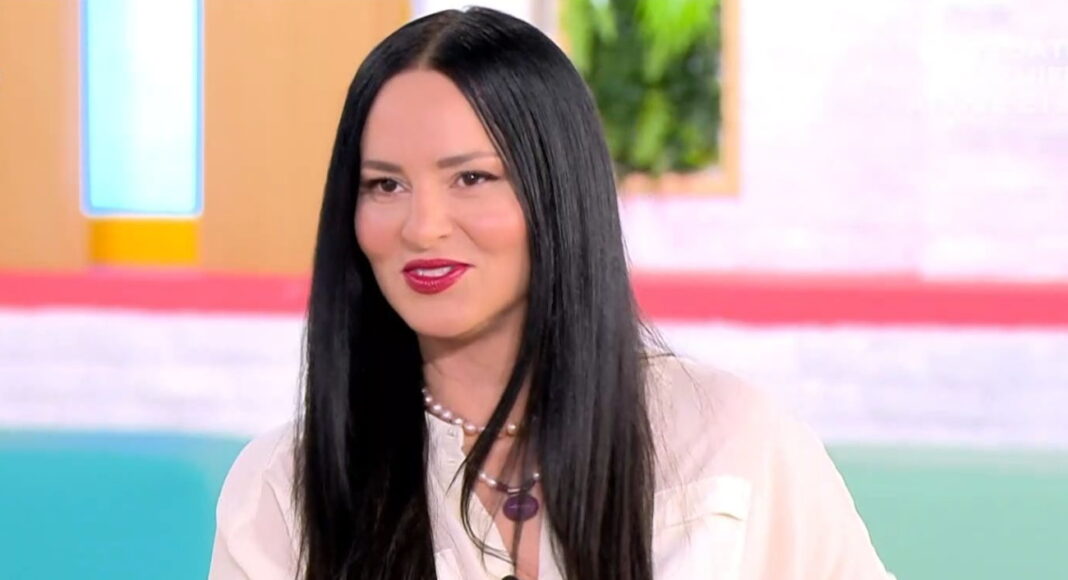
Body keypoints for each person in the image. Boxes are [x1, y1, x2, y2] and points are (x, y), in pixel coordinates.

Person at [208, 7, 895, 580]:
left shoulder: (729, 442)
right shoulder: (282, 492)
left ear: (557, 190)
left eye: (471, 178)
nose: (422, 226)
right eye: (385, 185)